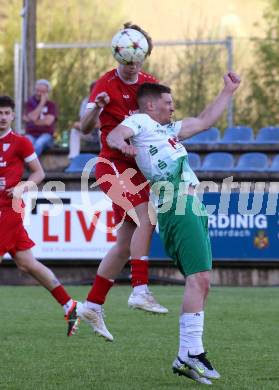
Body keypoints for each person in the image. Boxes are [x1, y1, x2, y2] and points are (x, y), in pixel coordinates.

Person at [105, 72, 241, 384]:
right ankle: (190, 354)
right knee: (200, 279)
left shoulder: (167, 130)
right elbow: (114, 136)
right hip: (176, 202)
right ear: (150, 105)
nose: (173, 107)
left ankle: (188, 354)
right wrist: (124, 147)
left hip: (190, 203)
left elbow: (205, 120)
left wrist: (227, 91)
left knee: (202, 281)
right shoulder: (140, 121)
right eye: (168, 102)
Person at [77, 22, 168, 342]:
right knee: (147, 217)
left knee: (126, 240)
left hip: (138, 170)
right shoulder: (104, 84)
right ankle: (140, 289)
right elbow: (86, 127)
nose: (132, 66)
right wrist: (98, 108)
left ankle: (92, 304)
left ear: (143, 55)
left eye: (136, 60)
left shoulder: (150, 84)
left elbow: (161, 123)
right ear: (118, 54)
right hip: (111, 165)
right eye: (126, 60)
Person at [0, 95, 79, 336]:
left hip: (9, 209)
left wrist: (24, 186)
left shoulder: (20, 142)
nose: (2, 118)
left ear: (13, 116)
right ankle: (69, 304)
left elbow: (38, 172)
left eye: (6, 113)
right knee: (27, 264)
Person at [23, 79, 58, 156]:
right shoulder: (29, 103)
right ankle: (30, 166)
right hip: (31, 134)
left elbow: (48, 122)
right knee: (26, 143)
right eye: (37, 90)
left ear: (47, 93)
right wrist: (41, 104)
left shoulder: (51, 105)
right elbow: (33, 117)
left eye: (42, 92)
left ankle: (29, 166)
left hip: (46, 135)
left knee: (39, 143)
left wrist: (33, 121)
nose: (39, 93)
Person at [68, 81, 100, 160]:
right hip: (89, 132)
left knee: (102, 131)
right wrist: (78, 125)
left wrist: (86, 124)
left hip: (102, 133)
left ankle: (106, 158)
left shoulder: (106, 100)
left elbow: (104, 124)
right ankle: (73, 158)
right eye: (93, 90)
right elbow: (83, 120)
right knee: (74, 131)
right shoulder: (86, 101)